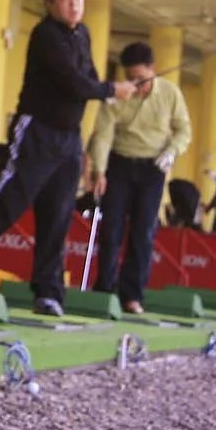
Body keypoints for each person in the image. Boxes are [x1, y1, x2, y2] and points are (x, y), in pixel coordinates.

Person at [0, 0, 135, 317]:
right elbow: (74, 83)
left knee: (58, 215)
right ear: (49, 4)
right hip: (37, 132)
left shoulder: (83, 34)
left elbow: (87, 76)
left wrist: (107, 89)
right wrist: (110, 90)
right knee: (8, 202)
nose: (74, 5)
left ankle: (48, 292)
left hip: (69, 138)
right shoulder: (46, 35)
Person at [85, 41, 192, 314]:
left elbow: (183, 130)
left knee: (143, 231)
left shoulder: (170, 93)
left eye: (141, 79)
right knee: (112, 229)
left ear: (153, 70)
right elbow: (104, 134)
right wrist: (99, 170)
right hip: (119, 163)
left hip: (153, 167)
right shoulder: (117, 94)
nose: (136, 85)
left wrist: (172, 152)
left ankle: (132, 295)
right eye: (130, 78)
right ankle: (105, 290)